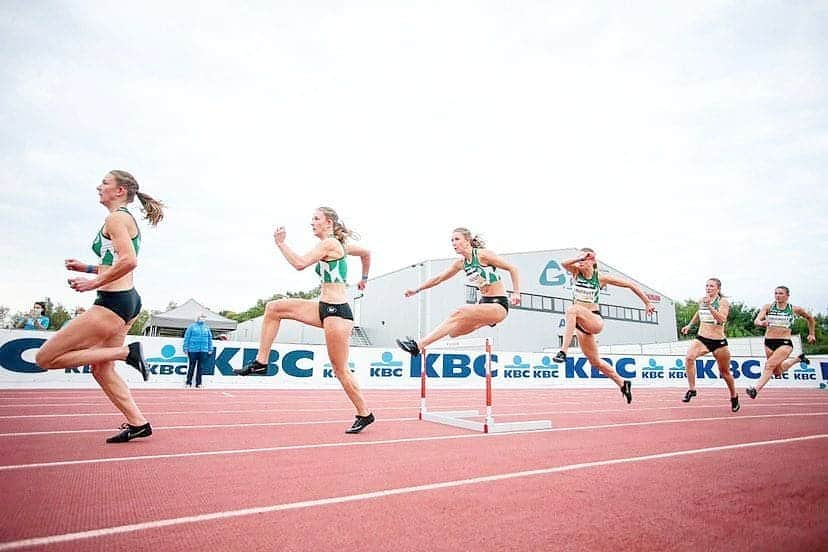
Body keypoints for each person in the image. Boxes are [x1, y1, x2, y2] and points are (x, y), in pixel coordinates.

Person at [34, 170, 164, 443]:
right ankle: (138, 423)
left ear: (119, 191)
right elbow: (116, 260)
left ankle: (127, 353)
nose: (98, 187)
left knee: (44, 359)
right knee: (101, 369)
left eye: (104, 183)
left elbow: (129, 261)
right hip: (128, 300)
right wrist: (88, 267)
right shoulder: (123, 219)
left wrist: (92, 283)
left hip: (112, 304)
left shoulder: (116, 218)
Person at [234, 207, 374, 434]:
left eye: (316, 219)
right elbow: (367, 253)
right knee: (274, 308)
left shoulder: (329, 244)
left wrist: (281, 243)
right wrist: (364, 278)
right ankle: (261, 362)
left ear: (328, 223)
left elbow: (300, 263)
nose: (311, 222)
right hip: (322, 307)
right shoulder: (342, 246)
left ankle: (364, 413)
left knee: (340, 371)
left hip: (337, 313)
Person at [551, 248, 656, 404]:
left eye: (585, 259)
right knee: (595, 362)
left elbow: (630, 285)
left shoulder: (600, 279)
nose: (581, 262)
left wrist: (647, 302)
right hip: (581, 327)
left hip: (594, 320)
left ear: (593, 262)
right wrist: (579, 257)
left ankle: (563, 351)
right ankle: (623, 383)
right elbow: (563, 263)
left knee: (571, 309)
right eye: (580, 259)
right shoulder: (575, 273)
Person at [395, 227, 521, 356]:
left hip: (498, 305)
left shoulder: (483, 255)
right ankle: (486, 321)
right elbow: (439, 278)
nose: (453, 243)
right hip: (483, 304)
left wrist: (516, 293)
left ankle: (418, 345)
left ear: (467, 241)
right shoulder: (461, 263)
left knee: (459, 312)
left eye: (456, 239)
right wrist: (416, 290)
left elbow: (513, 269)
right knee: (454, 332)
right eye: (452, 240)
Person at [679, 278, 740, 412]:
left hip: (718, 342)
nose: (708, 288)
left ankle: (734, 396)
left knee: (724, 373)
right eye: (707, 286)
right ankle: (692, 389)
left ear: (718, 289)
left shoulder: (723, 302)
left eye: (711, 286)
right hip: (702, 338)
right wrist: (689, 325)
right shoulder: (702, 300)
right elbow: (698, 313)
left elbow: (722, 319)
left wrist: (710, 307)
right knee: (689, 358)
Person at [747, 286, 817, 399]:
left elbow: (810, 319)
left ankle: (755, 389)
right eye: (776, 293)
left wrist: (812, 333)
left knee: (769, 365)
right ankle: (798, 359)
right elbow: (757, 320)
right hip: (769, 342)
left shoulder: (795, 309)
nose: (777, 296)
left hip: (784, 343)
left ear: (787, 296)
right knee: (777, 372)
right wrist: (761, 323)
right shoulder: (768, 307)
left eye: (780, 293)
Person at [183, 314, 213, 388]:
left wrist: (210, 349)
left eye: (204, 317)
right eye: (201, 317)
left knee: (201, 367)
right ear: (197, 318)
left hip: (204, 350)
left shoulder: (207, 328)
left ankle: (199, 383)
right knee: (191, 366)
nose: (203, 319)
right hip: (192, 350)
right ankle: (188, 383)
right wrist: (185, 348)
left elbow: (210, 339)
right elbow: (187, 338)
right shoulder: (192, 326)